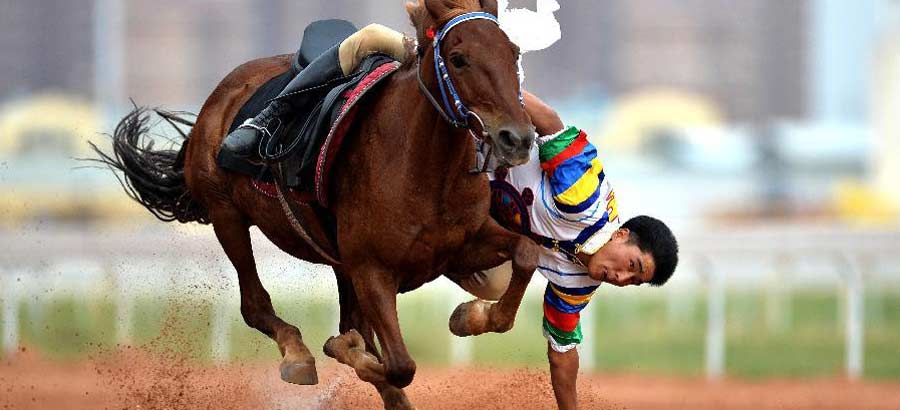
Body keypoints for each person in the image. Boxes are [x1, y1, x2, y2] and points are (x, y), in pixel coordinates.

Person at [222, 22, 679, 410]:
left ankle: (382, 298)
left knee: (501, 281)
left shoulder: (582, 283)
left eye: (632, 283)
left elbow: (564, 354)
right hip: (446, 64)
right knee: (374, 35)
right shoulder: (584, 195)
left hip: (469, 214)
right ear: (621, 234)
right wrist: (503, 99)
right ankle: (269, 121)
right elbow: (555, 123)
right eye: (632, 266)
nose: (622, 279)